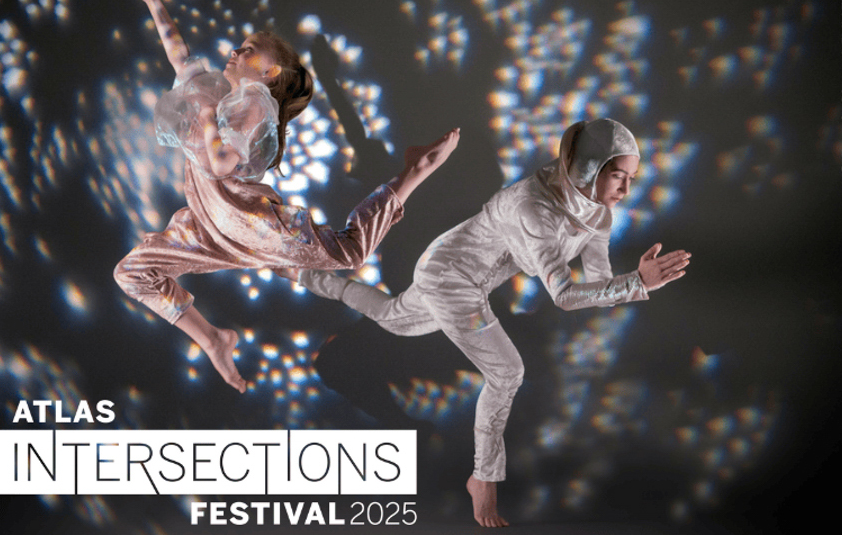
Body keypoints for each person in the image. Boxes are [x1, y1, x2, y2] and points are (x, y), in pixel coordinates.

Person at [296, 118, 690, 527]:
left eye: (631, 178)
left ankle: (304, 275)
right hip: (449, 274)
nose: (626, 190)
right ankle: (483, 480)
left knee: (395, 319)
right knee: (508, 373)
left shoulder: (599, 216)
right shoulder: (532, 209)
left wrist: (636, 283)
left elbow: (601, 289)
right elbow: (566, 296)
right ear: (588, 168)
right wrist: (637, 285)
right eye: (618, 176)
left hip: (461, 276)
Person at [114, 0, 459, 393]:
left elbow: (220, 165)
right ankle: (214, 340)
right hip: (208, 227)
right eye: (239, 46)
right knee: (132, 274)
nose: (234, 51)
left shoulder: (256, 103)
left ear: (268, 71)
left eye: (248, 49)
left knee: (348, 253)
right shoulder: (217, 91)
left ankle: (415, 171)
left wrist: (204, 116)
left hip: (248, 222)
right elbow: (180, 58)